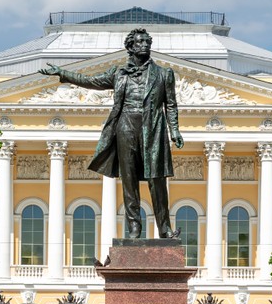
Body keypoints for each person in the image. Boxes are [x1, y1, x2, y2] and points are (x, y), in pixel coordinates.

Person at [39, 28, 183, 239]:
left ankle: (164, 229)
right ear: (131, 47)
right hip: (125, 126)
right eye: (141, 42)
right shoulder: (119, 74)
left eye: (147, 42)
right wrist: (63, 73)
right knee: (129, 180)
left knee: (157, 180)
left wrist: (175, 130)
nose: (145, 45)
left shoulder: (164, 74)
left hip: (152, 128)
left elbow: (171, 105)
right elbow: (91, 81)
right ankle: (134, 228)